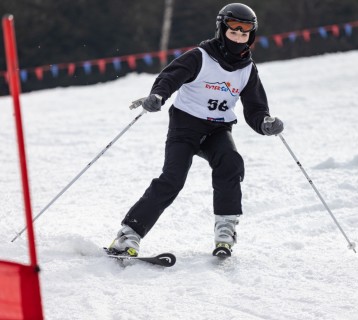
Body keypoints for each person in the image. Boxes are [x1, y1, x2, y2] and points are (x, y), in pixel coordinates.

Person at [107, 3, 284, 257]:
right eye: (233, 33)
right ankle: (128, 235)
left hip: (218, 129)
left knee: (230, 163)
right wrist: (158, 96)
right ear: (222, 31)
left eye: (244, 34)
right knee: (173, 178)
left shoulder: (247, 69)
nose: (238, 38)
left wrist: (265, 123)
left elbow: (255, 108)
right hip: (186, 126)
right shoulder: (200, 56)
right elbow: (171, 77)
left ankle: (225, 229)